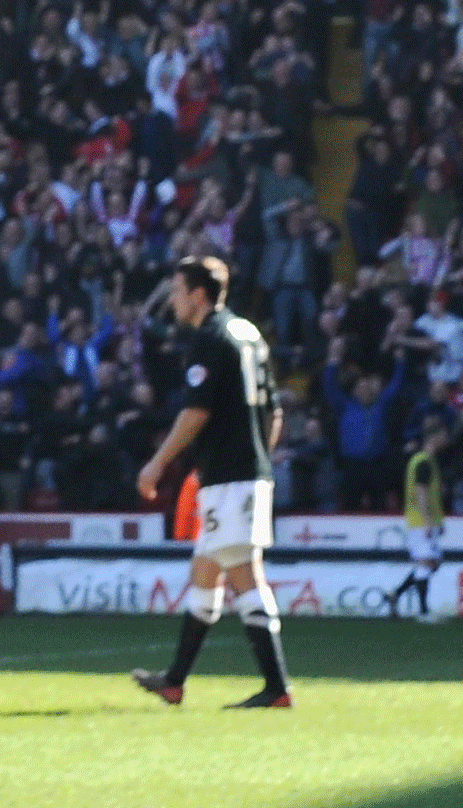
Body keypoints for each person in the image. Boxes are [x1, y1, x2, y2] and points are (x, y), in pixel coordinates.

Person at [131, 256, 292, 709]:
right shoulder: (249, 333)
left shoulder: (209, 338)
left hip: (229, 476)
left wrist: (157, 464)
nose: (174, 301)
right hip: (243, 471)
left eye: (178, 291)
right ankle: (175, 681)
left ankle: (277, 687)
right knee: (205, 573)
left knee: (244, 575)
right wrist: (259, 456)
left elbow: (196, 411)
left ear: (199, 293)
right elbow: (274, 410)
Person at [393, 422, 446, 622]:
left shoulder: (424, 460)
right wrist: (429, 520)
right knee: (426, 563)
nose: (445, 439)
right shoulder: (423, 461)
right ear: (434, 437)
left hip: (420, 520)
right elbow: (421, 491)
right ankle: (423, 611)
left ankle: (396, 595)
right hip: (421, 521)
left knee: (433, 562)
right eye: (443, 434)